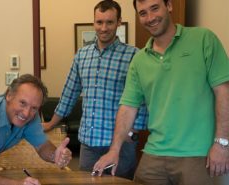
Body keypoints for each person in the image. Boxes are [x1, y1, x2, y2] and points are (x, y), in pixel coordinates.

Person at [94, 0, 229, 184]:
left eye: (155, 8)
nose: (150, 18)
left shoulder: (203, 39)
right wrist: (114, 150)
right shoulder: (139, 60)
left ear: (169, 6)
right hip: (154, 153)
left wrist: (222, 144)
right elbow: (128, 107)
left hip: (198, 154)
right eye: (143, 13)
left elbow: (224, 92)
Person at [42, 0, 148, 180]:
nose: (104, 28)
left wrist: (133, 132)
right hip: (89, 144)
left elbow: (143, 99)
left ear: (119, 22)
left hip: (120, 144)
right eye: (99, 22)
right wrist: (51, 123)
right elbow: (69, 93)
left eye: (109, 22)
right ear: (94, 22)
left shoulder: (134, 56)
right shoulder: (82, 55)